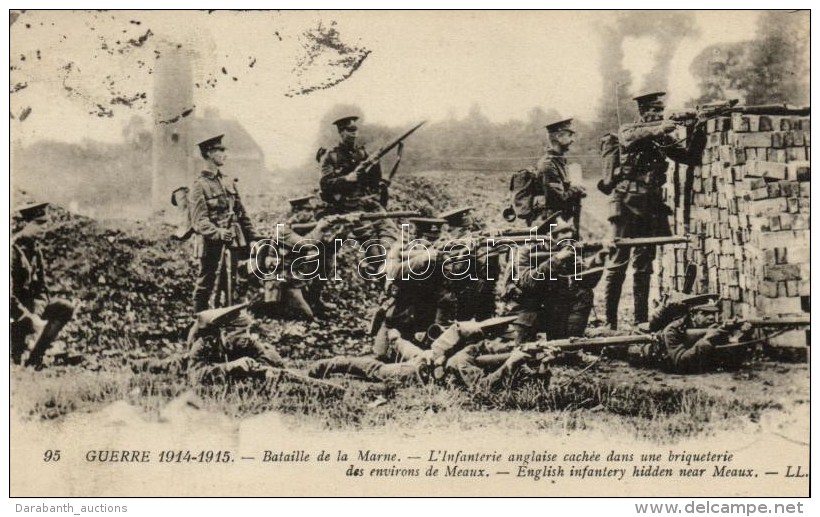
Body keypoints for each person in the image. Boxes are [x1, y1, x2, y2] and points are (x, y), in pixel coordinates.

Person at [602, 92, 706, 329]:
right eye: (654, 111)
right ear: (643, 112)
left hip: (649, 207)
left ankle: (640, 320)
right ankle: (610, 323)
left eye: (661, 111)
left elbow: (690, 157)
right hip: (625, 203)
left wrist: (698, 127)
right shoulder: (629, 130)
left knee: (644, 265)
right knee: (618, 262)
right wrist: (661, 128)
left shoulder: (660, 138)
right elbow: (629, 139)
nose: (658, 115)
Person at [319, 116, 398, 275]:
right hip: (348, 207)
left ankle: (384, 264)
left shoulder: (362, 153)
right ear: (341, 132)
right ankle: (376, 266)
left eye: (355, 130)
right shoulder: (331, 156)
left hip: (368, 202)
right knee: (370, 243)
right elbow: (325, 184)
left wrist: (377, 171)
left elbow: (374, 182)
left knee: (390, 231)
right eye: (349, 131)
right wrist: (346, 179)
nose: (354, 134)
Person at [188, 135, 259, 312]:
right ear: (209, 153)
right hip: (211, 242)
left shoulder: (228, 181)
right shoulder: (199, 186)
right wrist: (218, 232)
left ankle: (228, 318)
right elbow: (199, 221)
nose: (224, 154)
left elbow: (241, 213)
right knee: (206, 282)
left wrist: (253, 237)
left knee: (231, 282)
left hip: (233, 240)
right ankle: (200, 321)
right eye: (220, 150)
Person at [372, 217, 448, 359]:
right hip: (397, 316)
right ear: (417, 238)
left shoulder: (442, 256)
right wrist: (422, 259)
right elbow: (394, 272)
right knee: (380, 355)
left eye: (434, 240)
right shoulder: (401, 250)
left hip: (425, 320)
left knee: (420, 359)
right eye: (426, 239)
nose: (430, 244)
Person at [10, 202, 75, 368]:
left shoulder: (35, 250)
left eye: (45, 223)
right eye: (39, 223)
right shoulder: (11, 250)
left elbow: (42, 289)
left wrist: (37, 313)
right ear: (25, 225)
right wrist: (28, 317)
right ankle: (16, 356)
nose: (44, 228)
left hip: (30, 309)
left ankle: (34, 359)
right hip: (14, 312)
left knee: (63, 307)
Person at [187, 303, 286, 385]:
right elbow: (195, 376)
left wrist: (264, 370)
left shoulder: (248, 342)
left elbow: (265, 358)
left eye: (248, 332)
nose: (247, 336)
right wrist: (230, 366)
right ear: (225, 334)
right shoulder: (205, 345)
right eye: (242, 333)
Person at [437, 206, 500, 323]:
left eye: (451, 230)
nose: (448, 234)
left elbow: (490, 276)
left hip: (469, 300)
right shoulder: (447, 244)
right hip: (449, 299)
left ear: (460, 229)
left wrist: (472, 254)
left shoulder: (477, 245)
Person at [535, 118, 585, 228]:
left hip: (562, 219)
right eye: (570, 135)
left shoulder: (559, 161)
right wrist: (577, 189)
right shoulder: (548, 164)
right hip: (552, 221)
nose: (573, 140)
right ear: (558, 137)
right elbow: (558, 199)